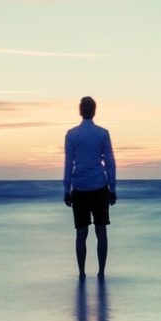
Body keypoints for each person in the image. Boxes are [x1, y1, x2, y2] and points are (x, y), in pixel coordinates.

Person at [63, 97, 116, 279]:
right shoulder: (102, 134)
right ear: (94, 111)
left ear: (80, 110)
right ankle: (101, 272)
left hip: (80, 187)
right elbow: (109, 163)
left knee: (81, 233)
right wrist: (113, 187)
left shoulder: (72, 135)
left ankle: (82, 273)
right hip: (100, 186)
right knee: (101, 231)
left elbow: (69, 164)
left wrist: (66, 189)